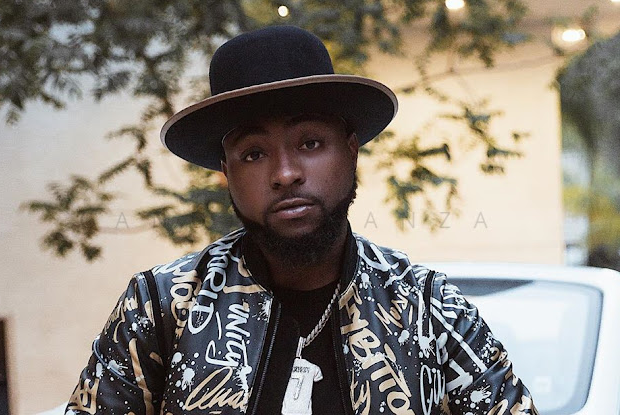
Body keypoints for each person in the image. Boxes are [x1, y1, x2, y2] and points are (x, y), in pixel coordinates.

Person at [66, 25, 537, 415]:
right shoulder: (162, 306)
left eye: (310, 143)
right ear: (226, 172)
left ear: (351, 150)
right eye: (254, 154)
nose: (286, 173)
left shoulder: (428, 308)